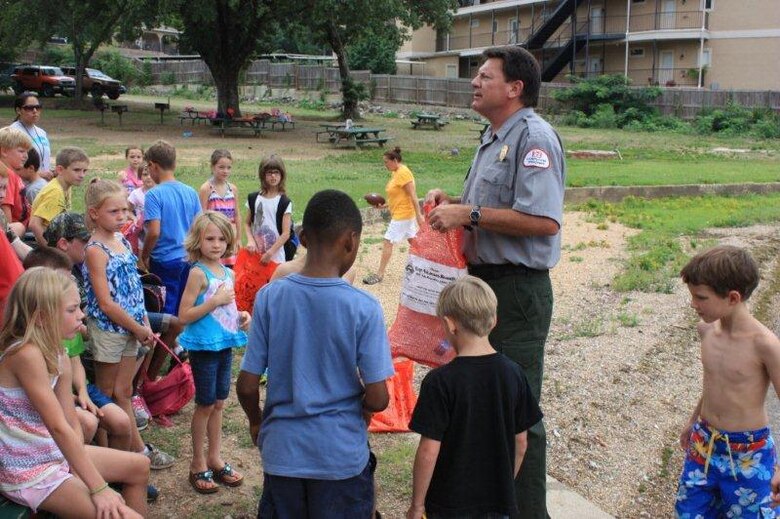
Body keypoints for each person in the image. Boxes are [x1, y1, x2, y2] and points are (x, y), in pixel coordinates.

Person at [425, 46, 565, 518]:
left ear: (514, 88)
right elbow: (489, 207)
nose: (475, 82)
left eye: (485, 76)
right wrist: (455, 202)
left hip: (518, 290)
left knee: (519, 409)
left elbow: (544, 220)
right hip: (485, 282)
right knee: (486, 401)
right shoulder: (493, 135)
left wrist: (469, 213)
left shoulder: (535, 138)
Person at [236, 189, 394, 518]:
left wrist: (256, 422)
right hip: (341, 457)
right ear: (351, 241)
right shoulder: (364, 308)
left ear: (303, 238)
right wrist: (362, 411)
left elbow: (248, 386)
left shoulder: (270, 297)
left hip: (283, 454)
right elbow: (379, 398)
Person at [0, 267, 149, 517]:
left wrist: (79, 468)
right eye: (72, 310)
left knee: (140, 466)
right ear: (41, 317)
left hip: (51, 454)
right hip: (29, 471)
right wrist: (98, 486)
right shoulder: (25, 354)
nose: (81, 316)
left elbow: (70, 420)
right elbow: (57, 426)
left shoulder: (58, 350)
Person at [406, 276, 542, 519]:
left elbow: (428, 449)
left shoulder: (439, 381)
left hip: (448, 506)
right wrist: (502, 487)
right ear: (494, 321)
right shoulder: (513, 373)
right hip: (497, 505)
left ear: (449, 324)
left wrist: (417, 506)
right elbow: (521, 442)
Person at [675, 246, 780, 517]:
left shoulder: (765, 345)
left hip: (750, 453)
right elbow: (714, 383)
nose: (693, 304)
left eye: (701, 297)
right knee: (689, 512)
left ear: (732, 297)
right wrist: (693, 421)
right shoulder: (707, 331)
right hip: (704, 443)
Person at [81, 179, 175, 473]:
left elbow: (134, 288)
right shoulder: (95, 249)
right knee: (106, 393)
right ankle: (108, 454)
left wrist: (144, 321)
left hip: (132, 326)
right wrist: (136, 327)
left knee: (123, 391)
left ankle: (134, 451)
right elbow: (106, 303)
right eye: (114, 211)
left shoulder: (121, 241)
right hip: (110, 330)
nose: (122, 217)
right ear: (95, 213)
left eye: (125, 210)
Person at [21, 247, 136, 449]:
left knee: (122, 422)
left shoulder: (67, 328)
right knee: (89, 423)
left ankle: (112, 471)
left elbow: (76, 363)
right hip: (54, 397)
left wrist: (82, 391)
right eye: (59, 281)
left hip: (78, 388)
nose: (66, 286)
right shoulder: (27, 346)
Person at [178, 211, 250, 494]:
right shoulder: (198, 273)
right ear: (198, 240)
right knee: (205, 404)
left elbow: (226, 309)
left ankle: (215, 457)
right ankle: (197, 463)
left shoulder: (228, 272)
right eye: (210, 238)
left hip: (224, 344)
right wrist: (215, 301)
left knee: (219, 402)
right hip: (203, 348)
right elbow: (184, 314)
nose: (216, 244)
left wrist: (241, 315)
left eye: (222, 239)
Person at [141, 140, 201, 315]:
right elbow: (200, 227)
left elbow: (154, 231)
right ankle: (178, 341)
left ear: (153, 166)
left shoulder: (153, 194)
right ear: (174, 164)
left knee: (165, 308)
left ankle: (166, 342)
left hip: (164, 261)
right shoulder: (191, 191)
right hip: (188, 259)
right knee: (185, 305)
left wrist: (144, 256)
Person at [362, 147, 425, 285]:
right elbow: (398, 195)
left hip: (403, 214)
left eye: (386, 162)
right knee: (413, 241)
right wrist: (384, 206)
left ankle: (379, 274)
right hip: (402, 213)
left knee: (388, 241)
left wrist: (419, 215)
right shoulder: (396, 172)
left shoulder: (403, 173)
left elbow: (413, 196)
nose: (385, 165)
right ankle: (429, 265)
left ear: (395, 160)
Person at [29, 147, 89, 246]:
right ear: (60, 170)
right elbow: (35, 224)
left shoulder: (66, 186)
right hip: (46, 243)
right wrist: (50, 251)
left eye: (84, 171)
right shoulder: (55, 192)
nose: (82, 175)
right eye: (77, 170)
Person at [244, 154, 292, 266]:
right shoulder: (254, 198)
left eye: (276, 172)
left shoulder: (284, 202)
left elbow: (286, 233)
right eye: (269, 173)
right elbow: (247, 223)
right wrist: (250, 240)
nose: (273, 176)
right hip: (256, 254)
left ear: (282, 175)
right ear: (263, 175)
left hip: (277, 258)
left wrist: (270, 253)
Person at [198, 149, 242, 267]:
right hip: (214, 238)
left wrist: (238, 238)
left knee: (230, 270)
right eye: (221, 167)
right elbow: (201, 217)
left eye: (228, 167)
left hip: (229, 237)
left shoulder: (232, 189)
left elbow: (237, 215)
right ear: (213, 167)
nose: (225, 171)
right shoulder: (206, 189)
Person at [10, 92, 52, 180]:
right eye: (29, 108)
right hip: (24, 187)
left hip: (43, 184)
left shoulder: (41, 132)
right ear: (18, 110)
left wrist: (51, 172)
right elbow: (8, 166)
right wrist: (38, 174)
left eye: (37, 107)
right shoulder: (12, 132)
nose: (35, 111)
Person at [0, 126, 32, 238]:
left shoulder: (14, 174)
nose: (26, 156)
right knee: (18, 227)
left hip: (23, 227)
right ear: (4, 151)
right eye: (21, 151)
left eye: (27, 152)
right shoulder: (6, 175)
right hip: (12, 229)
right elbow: (5, 209)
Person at [125, 162, 156, 257]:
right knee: (142, 255)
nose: (149, 177)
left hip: (158, 229)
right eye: (145, 174)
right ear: (140, 176)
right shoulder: (136, 194)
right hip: (142, 231)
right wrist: (134, 218)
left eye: (151, 174)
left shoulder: (162, 192)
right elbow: (127, 210)